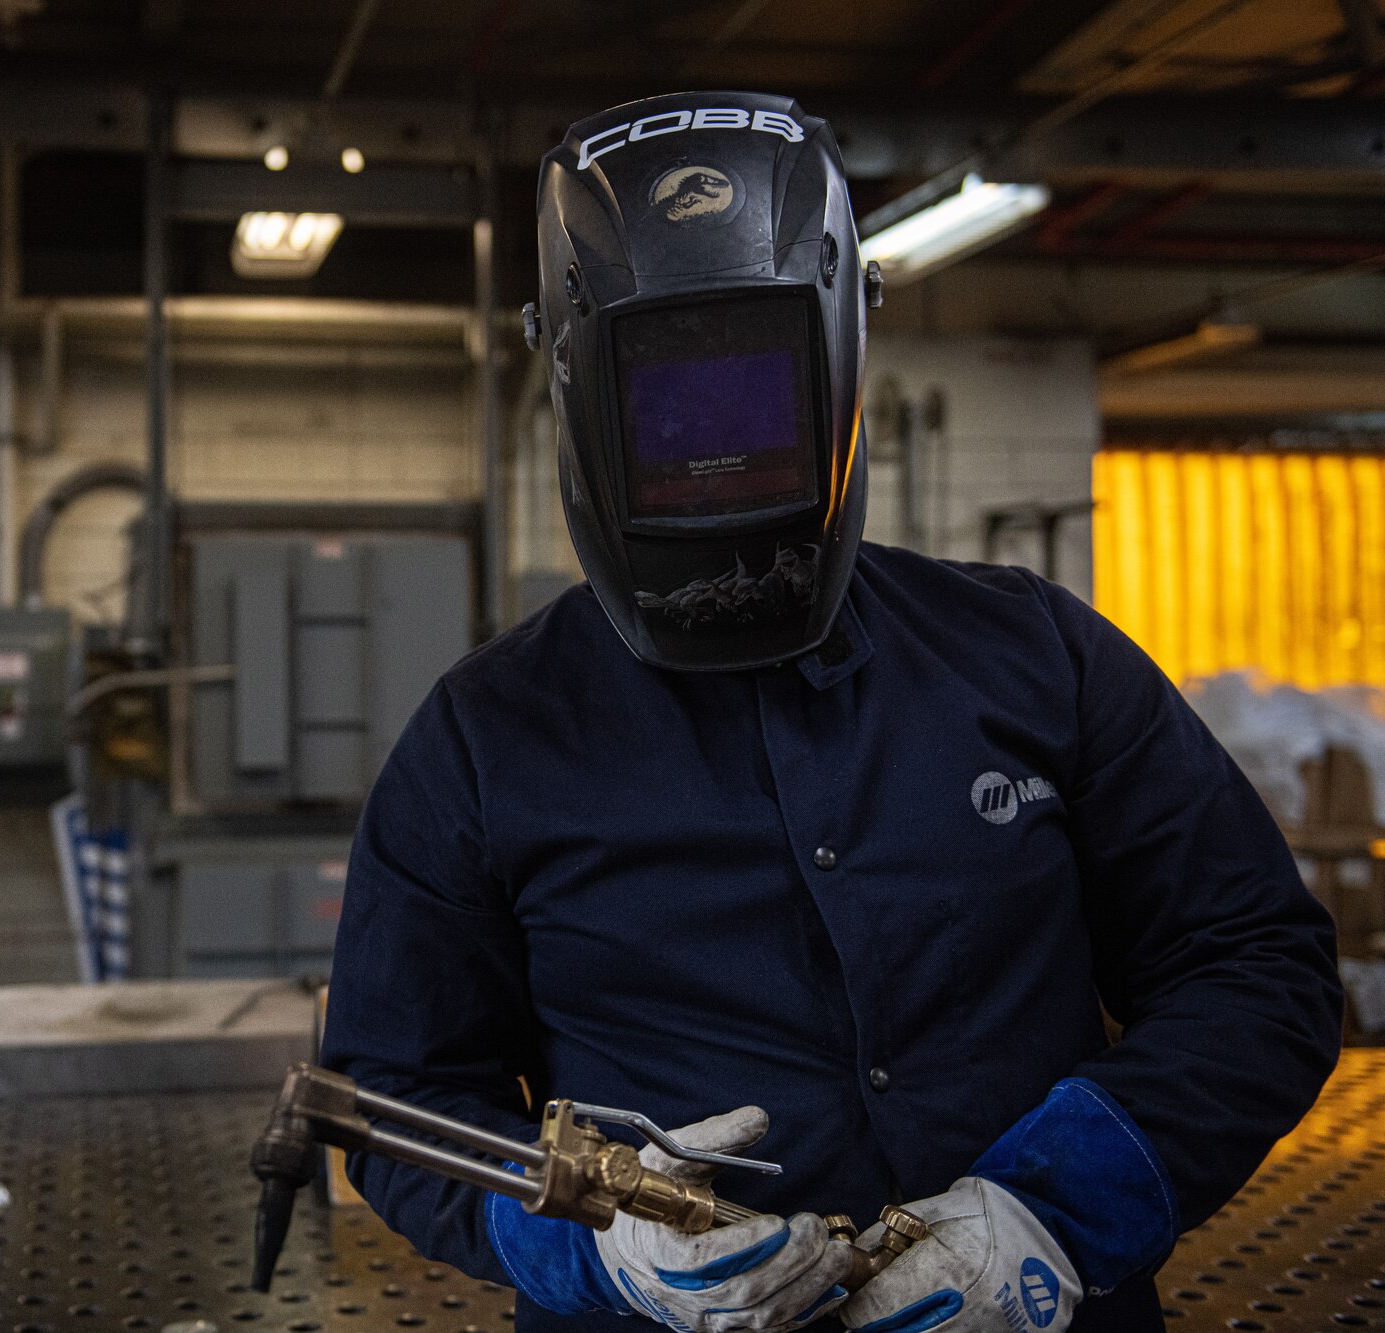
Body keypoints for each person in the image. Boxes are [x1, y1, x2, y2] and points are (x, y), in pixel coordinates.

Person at [317, 90, 1342, 1333]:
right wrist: (593, 1246)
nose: (717, 464)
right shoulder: (482, 738)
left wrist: (1055, 1211)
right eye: (672, 408)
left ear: (846, 336)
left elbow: (1253, 963)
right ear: (575, 373)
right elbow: (393, 1098)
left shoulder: (1034, 654)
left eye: (752, 392)